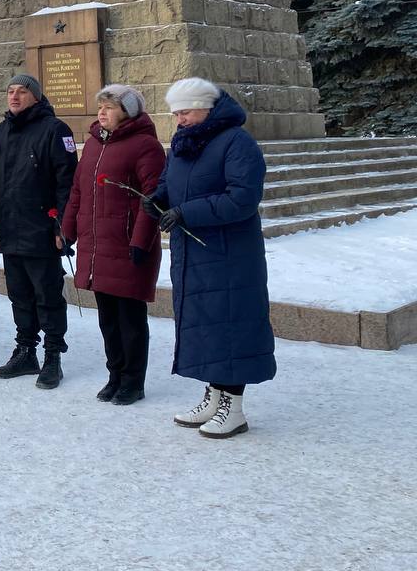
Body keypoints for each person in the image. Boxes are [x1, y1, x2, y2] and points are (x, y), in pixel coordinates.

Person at [148, 77, 275, 439]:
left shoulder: (237, 142)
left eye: (184, 112)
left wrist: (187, 212)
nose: (179, 120)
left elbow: (242, 199)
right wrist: (156, 201)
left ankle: (233, 407)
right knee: (206, 325)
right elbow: (170, 183)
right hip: (193, 253)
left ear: (206, 108)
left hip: (230, 254)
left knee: (231, 326)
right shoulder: (184, 143)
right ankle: (214, 393)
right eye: (175, 114)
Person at [61, 84, 165, 405]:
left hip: (128, 246)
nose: (102, 113)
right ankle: (115, 374)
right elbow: (78, 191)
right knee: (107, 318)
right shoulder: (93, 145)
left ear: (128, 112)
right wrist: (68, 232)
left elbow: (153, 198)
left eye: (109, 107)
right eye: (100, 107)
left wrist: (141, 242)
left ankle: (134, 381)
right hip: (97, 248)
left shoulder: (145, 146)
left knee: (130, 320)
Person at [0, 73, 78, 389]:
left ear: (36, 97)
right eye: (10, 91)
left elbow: (68, 183)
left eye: (22, 91)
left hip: (42, 230)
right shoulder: (0, 132)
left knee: (48, 296)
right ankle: (26, 351)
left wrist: (64, 226)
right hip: (10, 229)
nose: (14, 96)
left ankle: (53, 355)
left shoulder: (55, 131)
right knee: (20, 296)